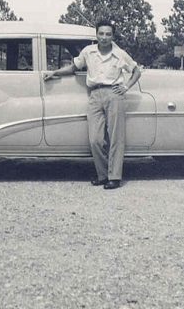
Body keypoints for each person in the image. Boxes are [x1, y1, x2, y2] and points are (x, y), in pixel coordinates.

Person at [43, 20, 141, 190]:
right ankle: (103, 175)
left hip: (114, 94)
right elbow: (74, 67)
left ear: (113, 36)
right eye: (101, 34)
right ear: (96, 35)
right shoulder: (88, 52)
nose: (104, 37)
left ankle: (114, 177)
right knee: (95, 139)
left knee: (116, 138)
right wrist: (55, 72)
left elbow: (136, 71)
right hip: (95, 94)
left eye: (108, 34)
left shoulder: (120, 54)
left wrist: (125, 87)